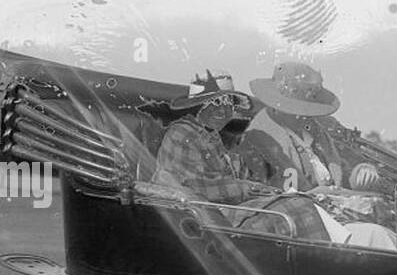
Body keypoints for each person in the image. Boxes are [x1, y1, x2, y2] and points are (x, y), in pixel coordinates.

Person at [239, 62, 380, 193]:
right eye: (297, 108)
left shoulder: (314, 130)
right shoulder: (261, 139)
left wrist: (359, 174)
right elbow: (276, 191)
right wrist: (317, 195)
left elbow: (339, 169)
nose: (303, 115)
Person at [152, 71, 250, 203]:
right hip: (186, 214)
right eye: (216, 102)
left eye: (229, 102)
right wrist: (250, 188)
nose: (223, 109)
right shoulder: (183, 134)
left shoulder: (211, 135)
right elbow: (196, 187)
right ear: (197, 105)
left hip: (214, 210)